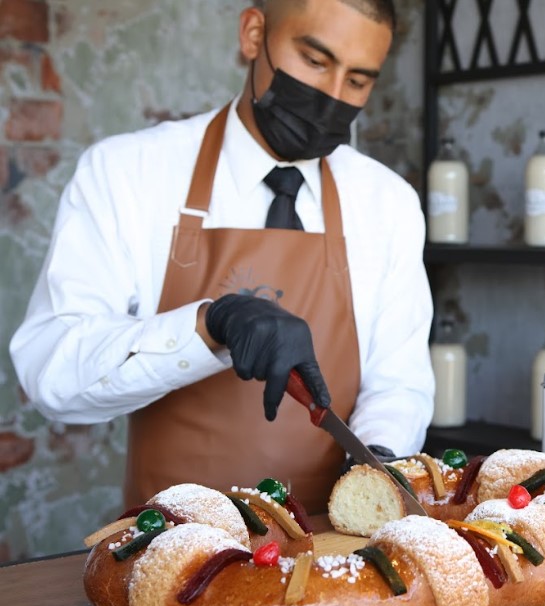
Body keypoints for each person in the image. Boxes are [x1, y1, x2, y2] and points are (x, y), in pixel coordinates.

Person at [9, 0, 434, 514]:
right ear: (254, 34)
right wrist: (208, 326)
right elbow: (52, 373)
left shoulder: (386, 203)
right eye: (315, 61)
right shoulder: (128, 173)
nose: (332, 95)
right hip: (167, 542)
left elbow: (399, 382)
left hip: (330, 541)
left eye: (358, 81)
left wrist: (378, 459)